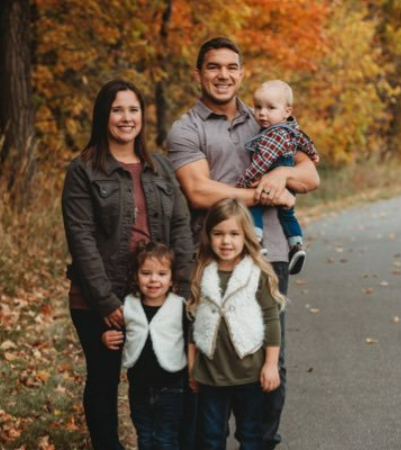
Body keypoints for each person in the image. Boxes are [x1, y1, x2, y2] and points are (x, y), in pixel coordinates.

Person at [167, 37, 319, 450]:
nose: (223, 75)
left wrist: (282, 177)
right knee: (213, 353)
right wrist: (265, 192)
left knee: (270, 357)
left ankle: (260, 442)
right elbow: (199, 192)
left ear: (241, 72)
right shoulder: (186, 129)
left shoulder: (266, 116)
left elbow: (310, 176)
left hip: (270, 257)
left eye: (231, 67)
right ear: (198, 74)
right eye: (213, 67)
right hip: (213, 260)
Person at [62, 80, 193, 450]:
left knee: (165, 379)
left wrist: (179, 290)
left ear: (143, 116)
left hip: (157, 294)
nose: (126, 118)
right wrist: (106, 302)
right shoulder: (83, 170)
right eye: (117, 110)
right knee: (104, 381)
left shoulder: (161, 168)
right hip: (98, 298)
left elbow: (181, 227)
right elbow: (81, 237)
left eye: (133, 109)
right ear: (103, 116)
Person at [187, 197, 285, 449]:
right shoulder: (201, 271)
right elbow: (194, 322)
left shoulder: (256, 273)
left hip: (249, 374)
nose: (226, 241)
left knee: (251, 435)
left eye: (234, 234)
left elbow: (271, 319)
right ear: (208, 236)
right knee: (210, 438)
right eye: (218, 234)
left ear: (246, 236)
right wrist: (191, 367)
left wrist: (271, 365)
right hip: (211, 376)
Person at [102, 242, 188, 450]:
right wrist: (106, 336)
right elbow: (123, 332)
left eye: (161, 274)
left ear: (171, 279)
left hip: (172, 387)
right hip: (139, 387)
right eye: (146, 273)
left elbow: (191, 339)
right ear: (136, 276)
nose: (153, 280)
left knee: (166, 439)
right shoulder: (129, 304)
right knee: (145, 437)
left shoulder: (179, 306)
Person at [236, 79, 319, 275]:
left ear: (286, 111)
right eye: (258, 107)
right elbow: (306, 142)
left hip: (270, 182)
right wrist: (314, 155)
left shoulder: (273, 135)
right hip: (287, 186)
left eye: (270, 108)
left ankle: (256, 241)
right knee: (287, 213)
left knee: (254, 205)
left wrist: (245, 182)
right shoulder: (291, 130)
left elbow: (262, 162)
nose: (262, 113)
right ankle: (296, 244)